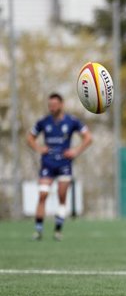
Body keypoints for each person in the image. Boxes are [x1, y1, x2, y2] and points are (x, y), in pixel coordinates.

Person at [27, 93, 92, 241]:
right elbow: (29, 137)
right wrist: (38, 148)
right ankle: (38, 230)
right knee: (43, 193)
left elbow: (88, 137)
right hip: (48, 163)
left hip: (64, 164)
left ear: (61, 105)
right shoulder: (43, 122)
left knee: (62, 197)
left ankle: (57, 230)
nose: (52, 107)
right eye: (50, 105)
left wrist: (76, 150)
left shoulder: (72, 121)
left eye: (55, 105)